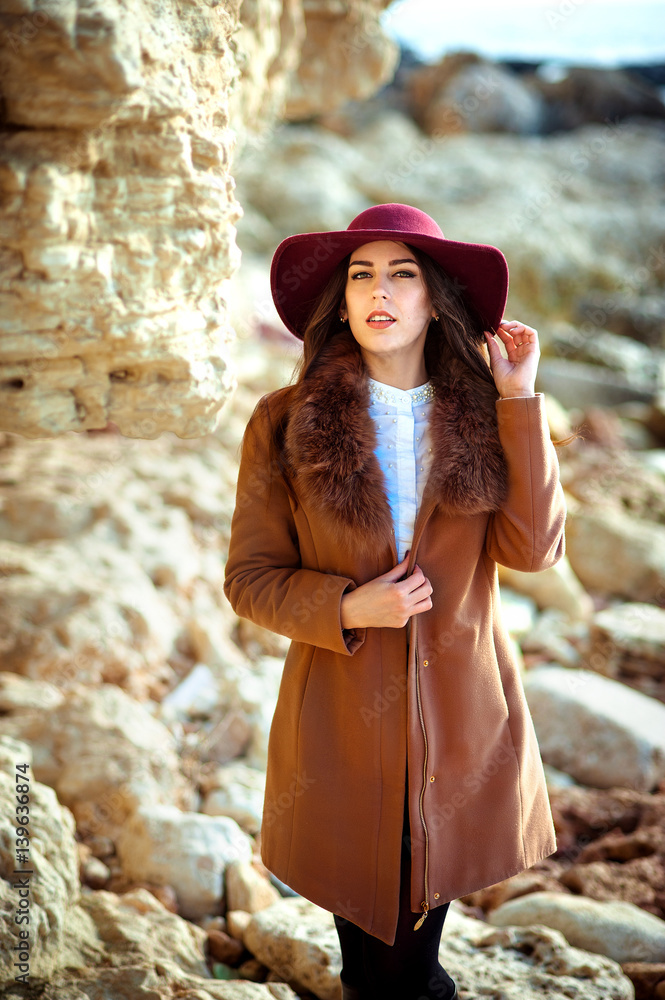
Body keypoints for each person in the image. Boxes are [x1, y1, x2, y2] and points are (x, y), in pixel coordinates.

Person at [223, 203, 566, 1000]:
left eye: (402, 274)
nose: (379, 290)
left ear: (433, 296)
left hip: (463, 727)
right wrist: (347, 608)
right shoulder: (282, 421)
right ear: (341, 302)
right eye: (360, 274)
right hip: (340, 729)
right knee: (370, 970)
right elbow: (249, 579)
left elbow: (533, 549)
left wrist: (519, 401)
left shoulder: (486, 414)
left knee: (409, 970)